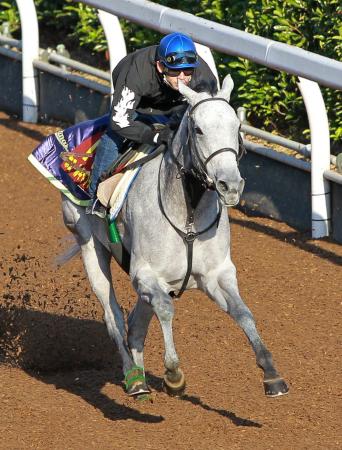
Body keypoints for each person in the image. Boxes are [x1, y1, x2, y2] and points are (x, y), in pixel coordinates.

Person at [88, 32, 218, 217]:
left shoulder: (204, 78)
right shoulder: (136, 71)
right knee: (114, 135)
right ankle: (95, 198)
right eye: (174, 71)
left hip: (176, 108)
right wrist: (153, 136)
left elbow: (210, 119)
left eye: (188, 71)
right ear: (160, 65)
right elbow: (119, 121)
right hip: (138, 107)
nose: (182, 77)